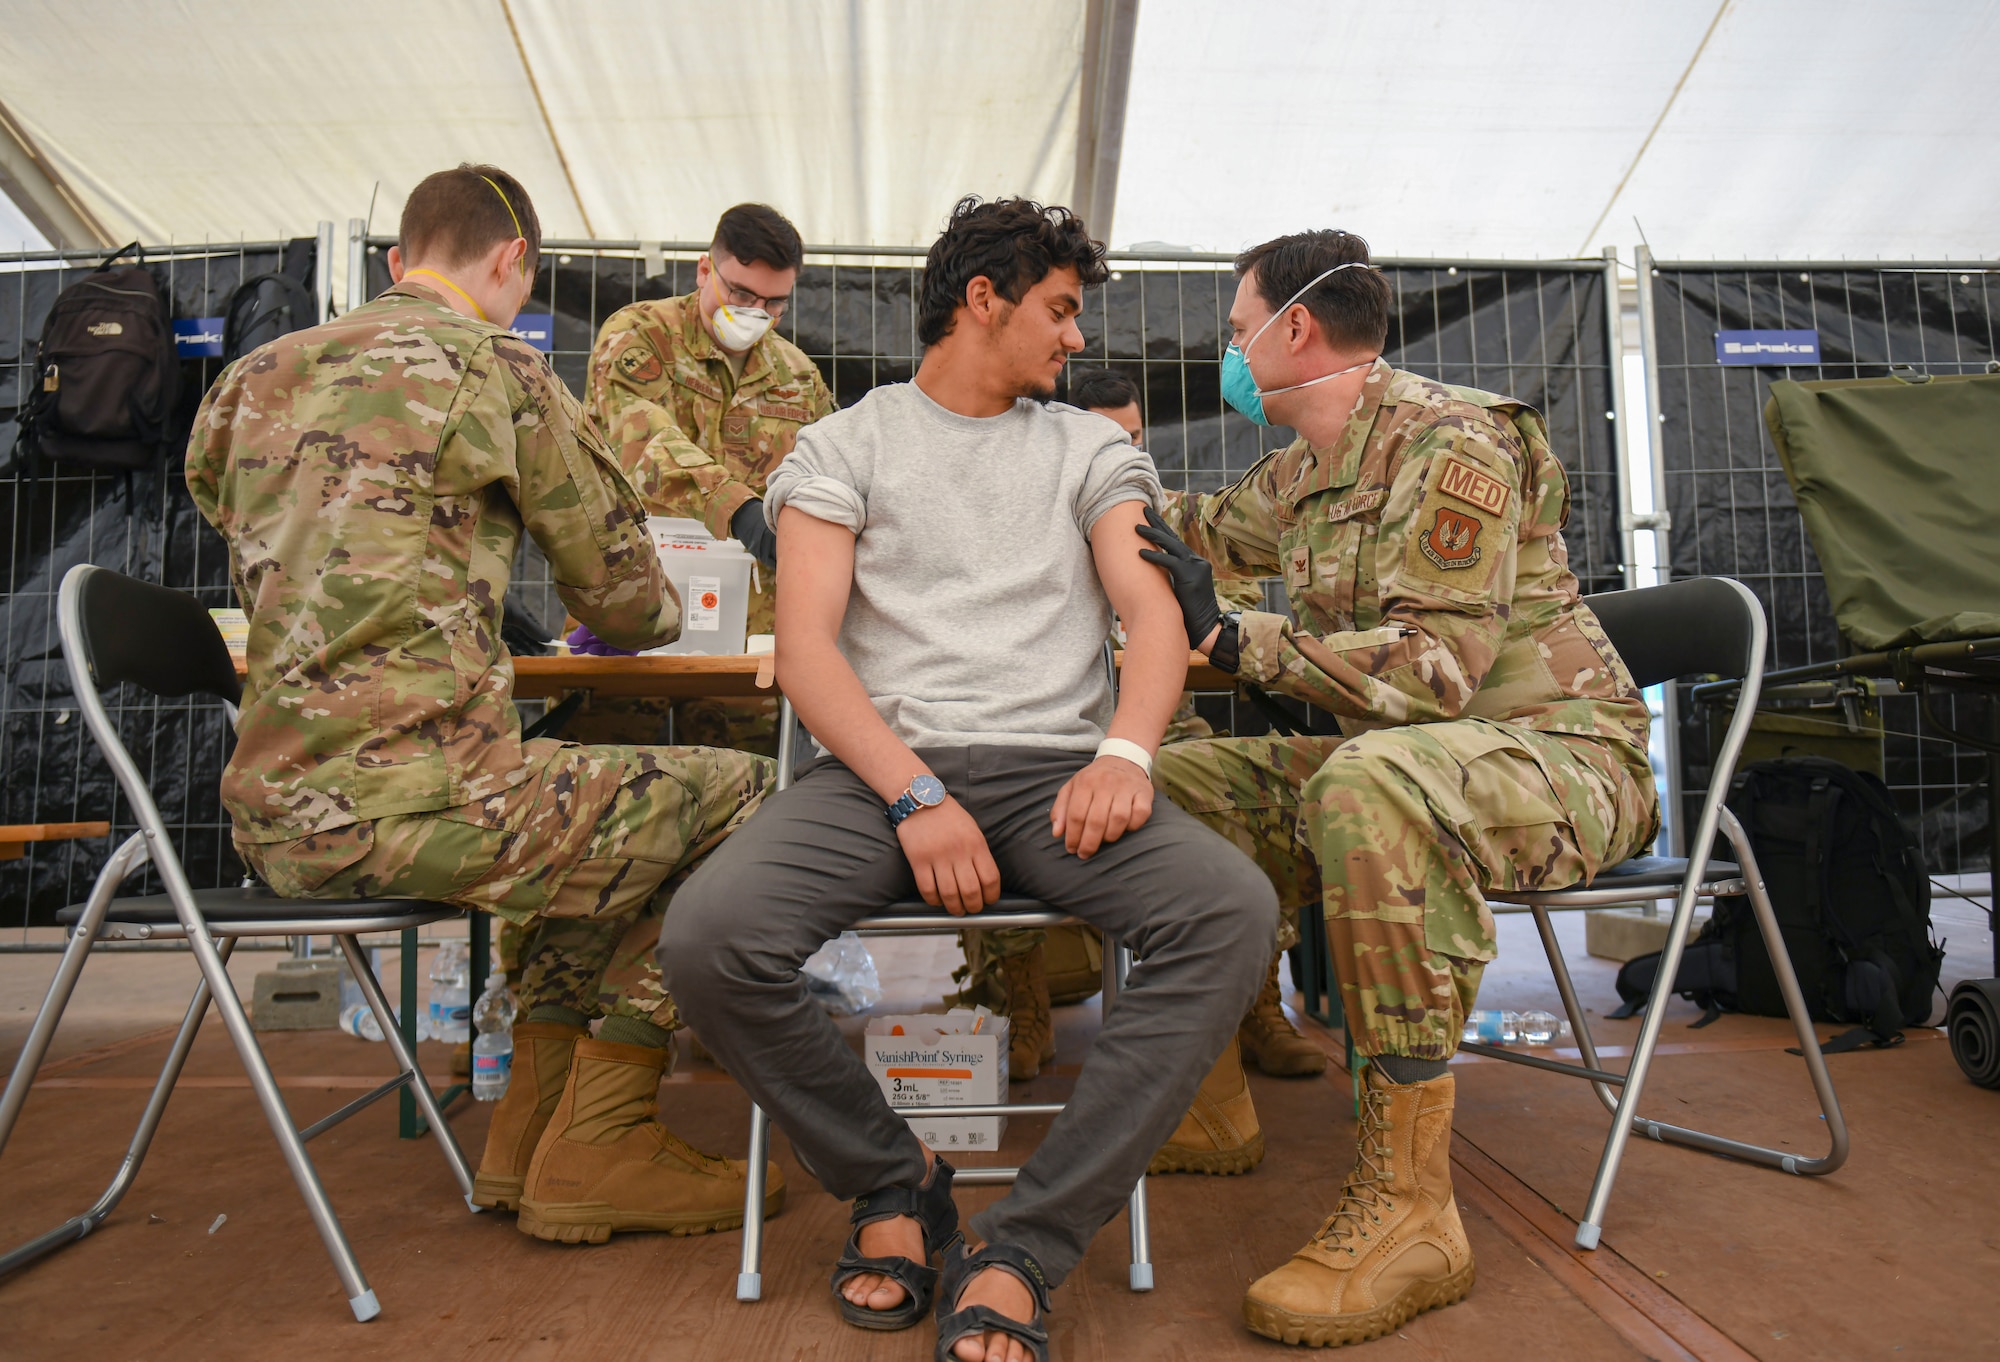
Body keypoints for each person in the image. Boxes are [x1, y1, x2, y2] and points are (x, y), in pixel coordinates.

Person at [660, 197, 1278, 1362]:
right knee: (709, 939)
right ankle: (897, 1181)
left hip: (1059, 773)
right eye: (1058, 309)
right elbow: (806, 653)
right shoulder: (842, 447)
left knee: (1228, 911)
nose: (1075, 338)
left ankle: (1024, 1246)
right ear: (982, 300)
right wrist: (912, 795)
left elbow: (1150, 619)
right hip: (880, 780)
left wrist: (1125, 752)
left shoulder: (1092, 448)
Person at [185, 164, 779, 1249]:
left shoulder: (251, 378)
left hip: (272, 821)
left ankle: (525, 1129)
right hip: (430, 808)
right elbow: (631, 601)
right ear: (513, 263)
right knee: (753, 799)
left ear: (398, 260)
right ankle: (601, 1137)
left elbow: (246, 535)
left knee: (599, 796)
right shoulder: (497, 367)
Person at [1134, 228, 1659, 1347]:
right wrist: (1059, 486)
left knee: (1368, 785)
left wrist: (1234, 639)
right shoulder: (1309, 465)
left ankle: (1413, 1212)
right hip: (1426, 762)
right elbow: (1187, 534)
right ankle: (1215, 1091)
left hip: (1556, 759)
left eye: (1237, 331)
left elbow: (1433, 676)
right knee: (1173, 783)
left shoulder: (1449, 444)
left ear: (1296, 330)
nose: (1229, 355)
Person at [963, 366, 1324, 1107]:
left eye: (1132, 437)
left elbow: (1228, 598)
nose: (1123, 450)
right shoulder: (1013, 521)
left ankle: (1254, 1005)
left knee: (1213, 788)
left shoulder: (1151, 512)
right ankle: (1019, 1004)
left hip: (1156, 722)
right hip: (1048, 721)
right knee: (997, 791)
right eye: (1105, 437)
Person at [570, 200, 834, 750]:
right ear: (703, 271)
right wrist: (740, 511)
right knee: (617, 793)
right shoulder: (641, 335)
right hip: (635, 627)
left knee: (751, 799)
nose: (754, 311)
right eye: (740, 293)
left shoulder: (799, 377)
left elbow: (831, 482)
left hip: (748, 651)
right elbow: (642, 440)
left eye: (773, 303)